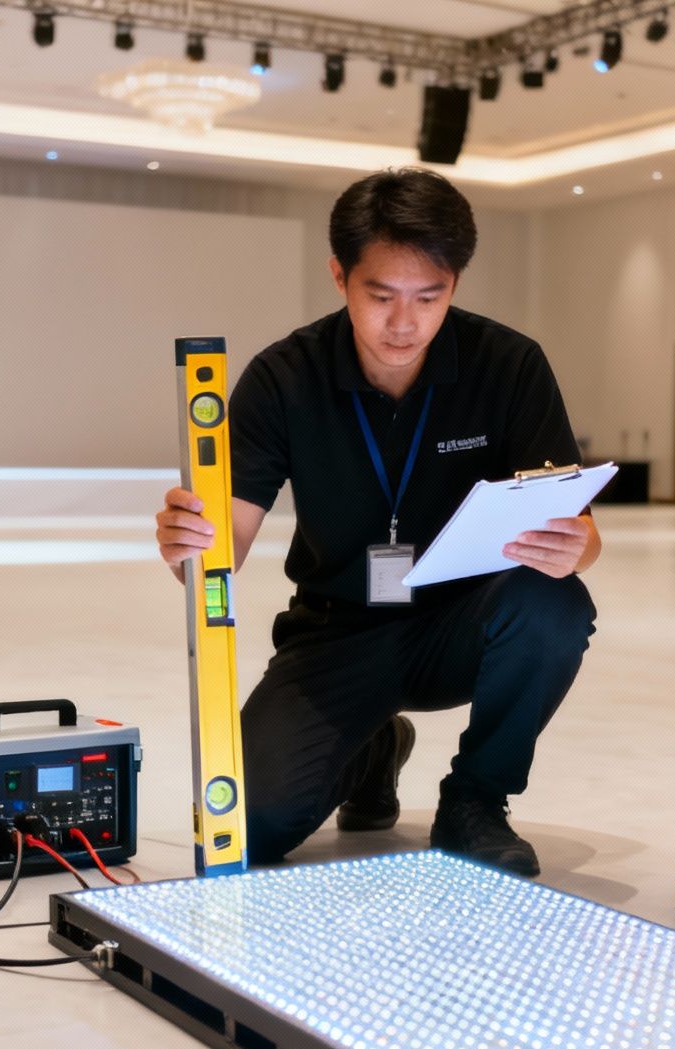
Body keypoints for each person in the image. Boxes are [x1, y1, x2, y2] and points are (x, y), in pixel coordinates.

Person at [154, 167, 599, 876]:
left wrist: (575, 547)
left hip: (461, 624)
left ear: (456, 282)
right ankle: (373, 749)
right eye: (380, 295)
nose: (405, 322)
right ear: (339, 276)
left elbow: (576, 527)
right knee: (249, 825)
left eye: (431, 297)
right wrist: (190, 547)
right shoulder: (285, 378)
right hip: (338, 633)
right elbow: (223, 543)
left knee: (553, 603)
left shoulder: (509, 365)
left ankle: (476, 799)